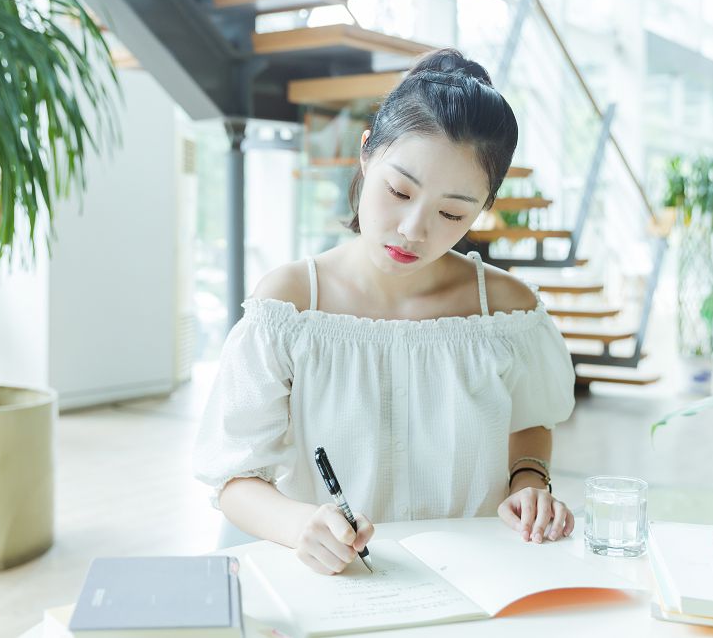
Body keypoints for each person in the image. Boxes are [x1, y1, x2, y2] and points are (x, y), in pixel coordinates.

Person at [193, 48, 576, 576]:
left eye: (451, 212)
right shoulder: (291, 304)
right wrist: (298, 525)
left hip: (475, 578)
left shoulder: (507, 313)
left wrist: (529, 483)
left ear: (484, 208)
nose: (413, 229)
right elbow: (233, 477)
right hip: (336, 583)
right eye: (399, 190)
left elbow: (531, 422)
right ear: (366, 151)